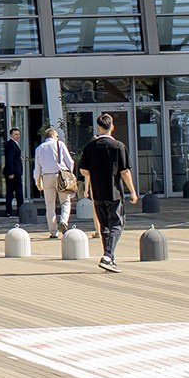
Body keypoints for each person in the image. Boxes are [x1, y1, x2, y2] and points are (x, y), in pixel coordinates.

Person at [79, 112, 138, 274]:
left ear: (98, 127)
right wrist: (132, 191)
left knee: (104, 226)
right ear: (112, 127)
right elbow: (125, 171)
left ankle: (110, 258)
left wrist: (87, 186)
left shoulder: (90, 146)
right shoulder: (118, 146)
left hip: (97, 192)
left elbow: (84, 170)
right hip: (114, 192)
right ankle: (107, 256)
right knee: (117, 225)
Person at [33, 125, 77, 232]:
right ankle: (63, 221)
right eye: (57, 136)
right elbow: (70, 161)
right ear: (53, 135)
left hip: (46, 176)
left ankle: (53, 231)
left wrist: (37, 180)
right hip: (60, 175)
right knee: (65, 201)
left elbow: (37, 168)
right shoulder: (59, 144)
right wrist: (70, 173)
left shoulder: (39, 148)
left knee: (49, 205)